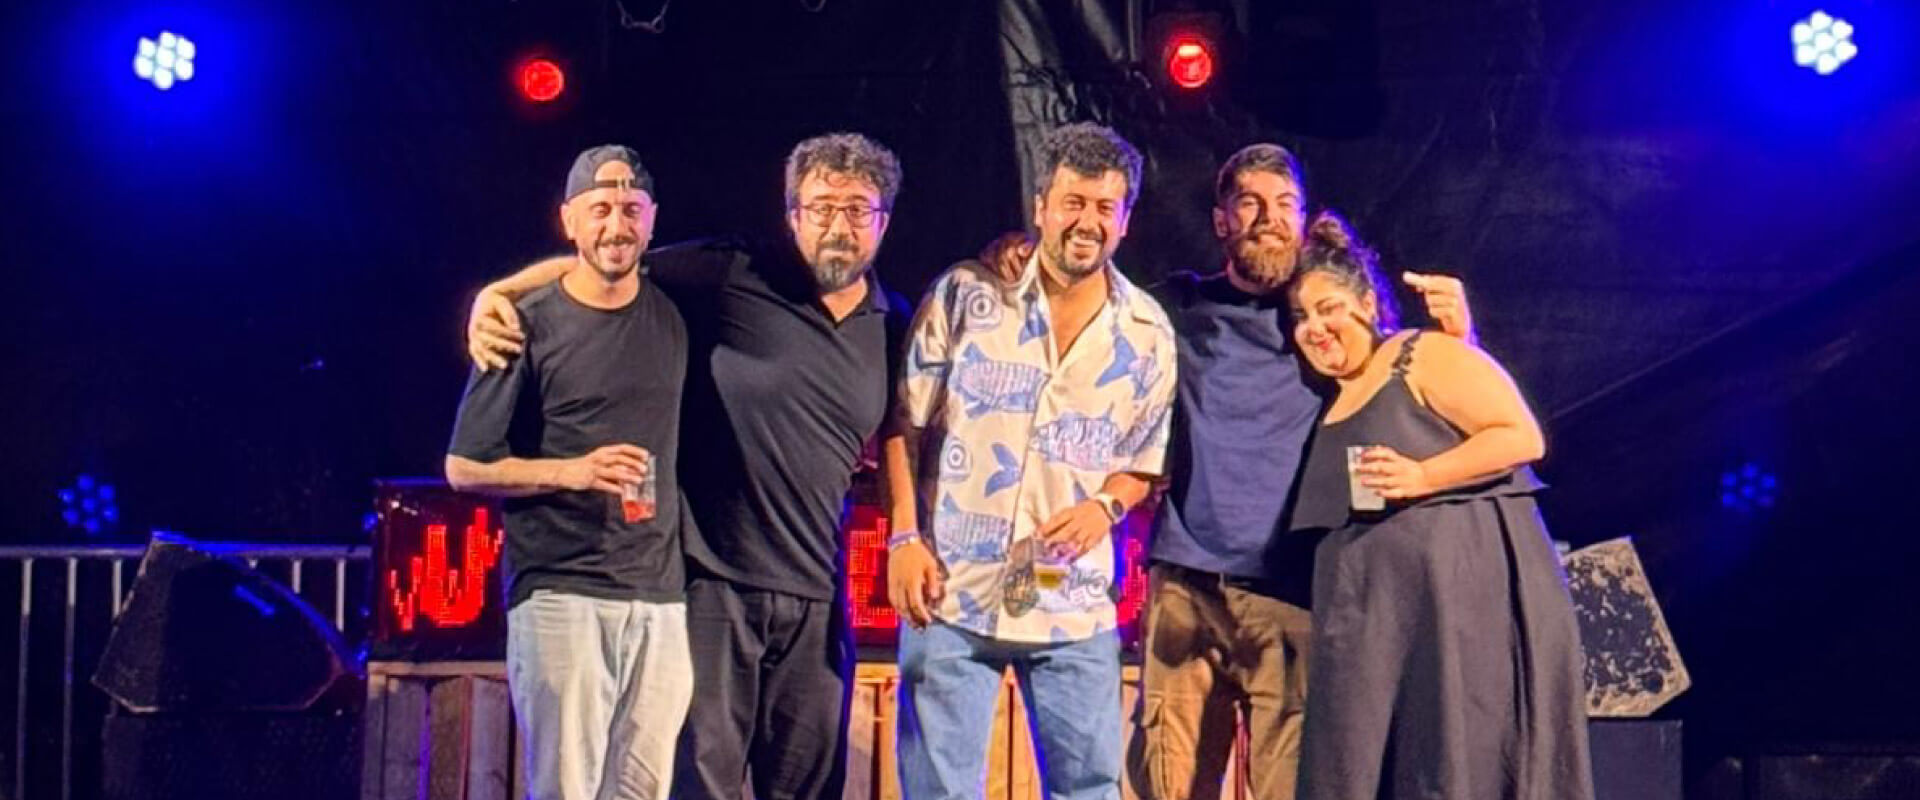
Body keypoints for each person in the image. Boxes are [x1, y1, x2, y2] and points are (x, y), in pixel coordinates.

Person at [978, 144, 1474, 800]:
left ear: (1303, 219)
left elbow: (1425, 400)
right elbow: (1084, 293)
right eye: (1250, 203)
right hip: (1187, 588)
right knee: (1167, 787)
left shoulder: (1325, 320)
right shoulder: (1175, 309)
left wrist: (1460, 339)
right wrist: (1022, 254)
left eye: (1285, 204)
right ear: (1221, 221)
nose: (1269, 217)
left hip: (1294, 594)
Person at [467, 133, 910, 800]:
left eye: (857, 209)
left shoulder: (891, 320)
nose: (838, 226)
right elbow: (609, 264)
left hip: (817, 598)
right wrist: (498, 293)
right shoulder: (733, 273)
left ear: (883, 220)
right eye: (821, 208)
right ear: (793, 214)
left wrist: (906, 534)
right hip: (710, 590)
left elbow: (902, 432)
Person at [885, 122, 1178, 800]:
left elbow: (1145, 457)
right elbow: (903, 422)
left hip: (1071, 606)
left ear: (1125, 220)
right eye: (1073, 202)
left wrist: (1105, 507)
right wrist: (902, 536)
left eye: (1105, 207)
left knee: (1088, 790)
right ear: (1041, 206)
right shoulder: (965, 294)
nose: (1087, 222)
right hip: (950, 594)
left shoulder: (1148, 332)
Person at [1285, 213, 1594, 800]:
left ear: (1368, 304)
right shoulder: (1332, 397)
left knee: (1451, 758)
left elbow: (1520, 436)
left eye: (1329, 309)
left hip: (1448, 617)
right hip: (1376, 626)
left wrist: (1422, 475)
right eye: (1301, 317)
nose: (1314, 328)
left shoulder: (1417, 353)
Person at [445, 144, 693, 800]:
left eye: (631, 209)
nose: (617, 225)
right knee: (566, 789)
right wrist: (573, 472)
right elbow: (463, 467)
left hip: (660, 597)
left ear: (652, 219)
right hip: (561, 592)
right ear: (569, 220)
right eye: (600, 209)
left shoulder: (674, 314)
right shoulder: (522, 324)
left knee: (643, 791)